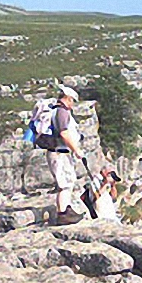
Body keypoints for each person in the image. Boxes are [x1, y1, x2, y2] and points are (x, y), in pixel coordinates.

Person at [47, 85, 85, 225]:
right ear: (67, 98)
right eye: (72, 101)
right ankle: (62, 214)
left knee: (69, 180)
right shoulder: (62, 112)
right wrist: (76, 150)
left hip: (61, 153)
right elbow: (64, 132)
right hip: (59, 153)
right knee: (64, 183)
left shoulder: (56, 110)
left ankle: (67, 209)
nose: (73, 104)